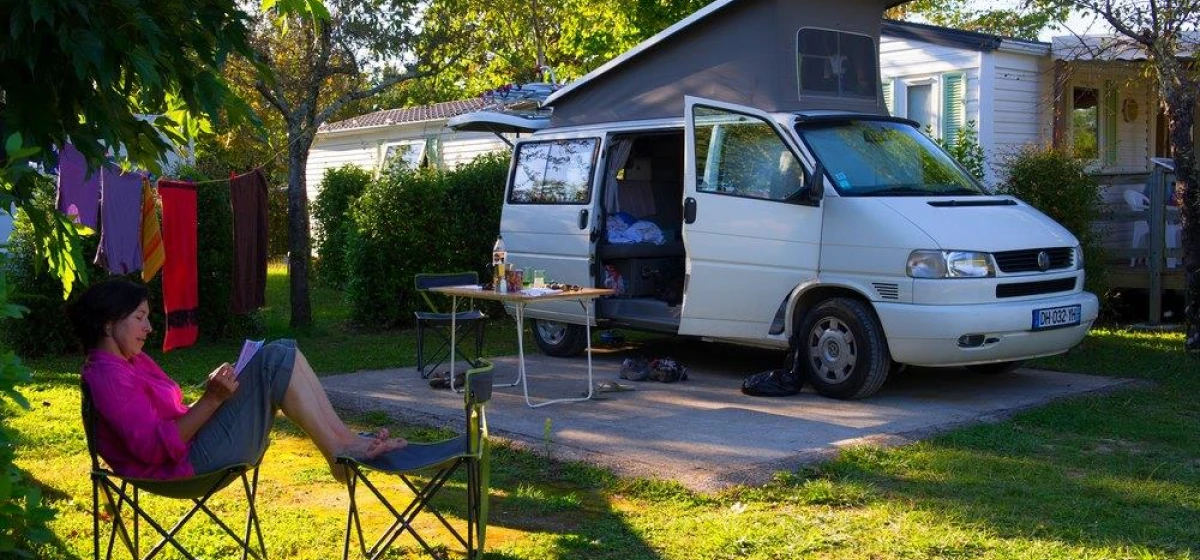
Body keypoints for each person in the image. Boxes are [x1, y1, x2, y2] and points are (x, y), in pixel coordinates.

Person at [67, 279, 405, 482]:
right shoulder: (107, 376)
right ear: (109, 324)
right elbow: (155, 449)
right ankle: (341, 453)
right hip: (180, 469)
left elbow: (168, 415)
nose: (149, 328)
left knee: (283, 348)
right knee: (274, 358)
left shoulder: (131, 361)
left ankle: (344, 443)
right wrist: (213, 399)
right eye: (140, 318)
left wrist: (215, 389)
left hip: (191, 451)